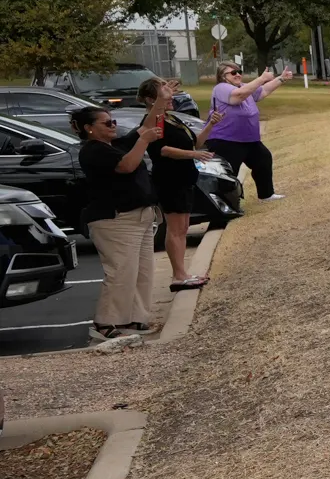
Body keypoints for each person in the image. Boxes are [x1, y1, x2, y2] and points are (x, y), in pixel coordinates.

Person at [69, 103, 162, 345]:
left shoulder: (115, 145)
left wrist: (160, 100)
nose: (113, 126)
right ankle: (104, 323)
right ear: (89, 128)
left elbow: (146, 126)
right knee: (120, 272)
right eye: (106, 123)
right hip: (115, 220)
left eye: (113, 122)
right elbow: (126, 165)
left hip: (140, 216)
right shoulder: (93, 151)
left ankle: (133, 318)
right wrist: (144, 142)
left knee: (142, 271)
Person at [137, 75, 214, 292]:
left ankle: (183, 273)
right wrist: (194, 154)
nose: (171, 97)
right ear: (151, 99)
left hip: (184, 178)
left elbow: (195, 141)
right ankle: (178, 276)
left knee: (183, 228)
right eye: (163, 93)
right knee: (176, 229)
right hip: (170, 180)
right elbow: (163, 150)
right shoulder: (155, 122)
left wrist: (211, 125)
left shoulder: (172, 119)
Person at [204, 63, 283, 199]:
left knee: (263, 159)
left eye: (239, 71)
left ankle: (266, 194)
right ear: (223, 76)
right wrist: (262, 78)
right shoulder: (221, 88)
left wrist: (281, 79)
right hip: (225, 139)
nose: (238, 74)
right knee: (229, 172)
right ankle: (227, 203)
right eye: (233, 73)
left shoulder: (243, 87)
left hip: (248, 139)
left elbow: (262, 91)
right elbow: (238, 96)